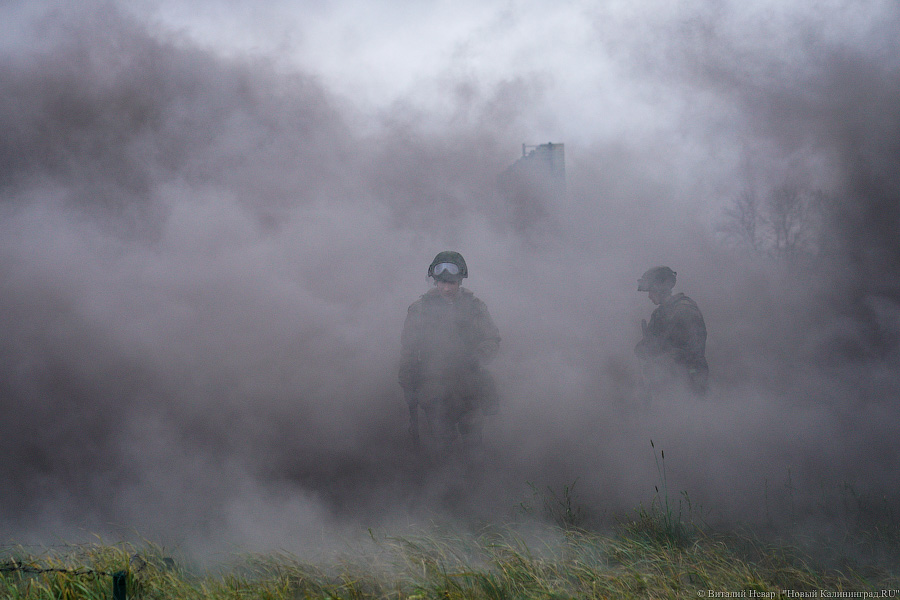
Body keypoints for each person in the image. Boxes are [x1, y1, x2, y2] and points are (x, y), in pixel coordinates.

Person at [399, 251, 500, 450]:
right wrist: (408, 383)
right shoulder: (419, 310)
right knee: (442, 444)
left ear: (460, 281)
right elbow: (409, 351)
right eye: (441, 282)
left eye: (451, 283)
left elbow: (492, 339)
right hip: (434, 388)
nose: (446, 288)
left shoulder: (475, 308)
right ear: (435, 281)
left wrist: (478, 357)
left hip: (469, 386)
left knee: (473, 442)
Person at [634, 266, 708, 397]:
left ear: (660, 289)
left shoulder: (685, 311)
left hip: (688, 383)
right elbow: (653, 343)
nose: (649, 296)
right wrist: (644, 348)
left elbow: (690, 351)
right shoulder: (660, 313)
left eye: (651, 291)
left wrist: (660, 361)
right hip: (666, 384)